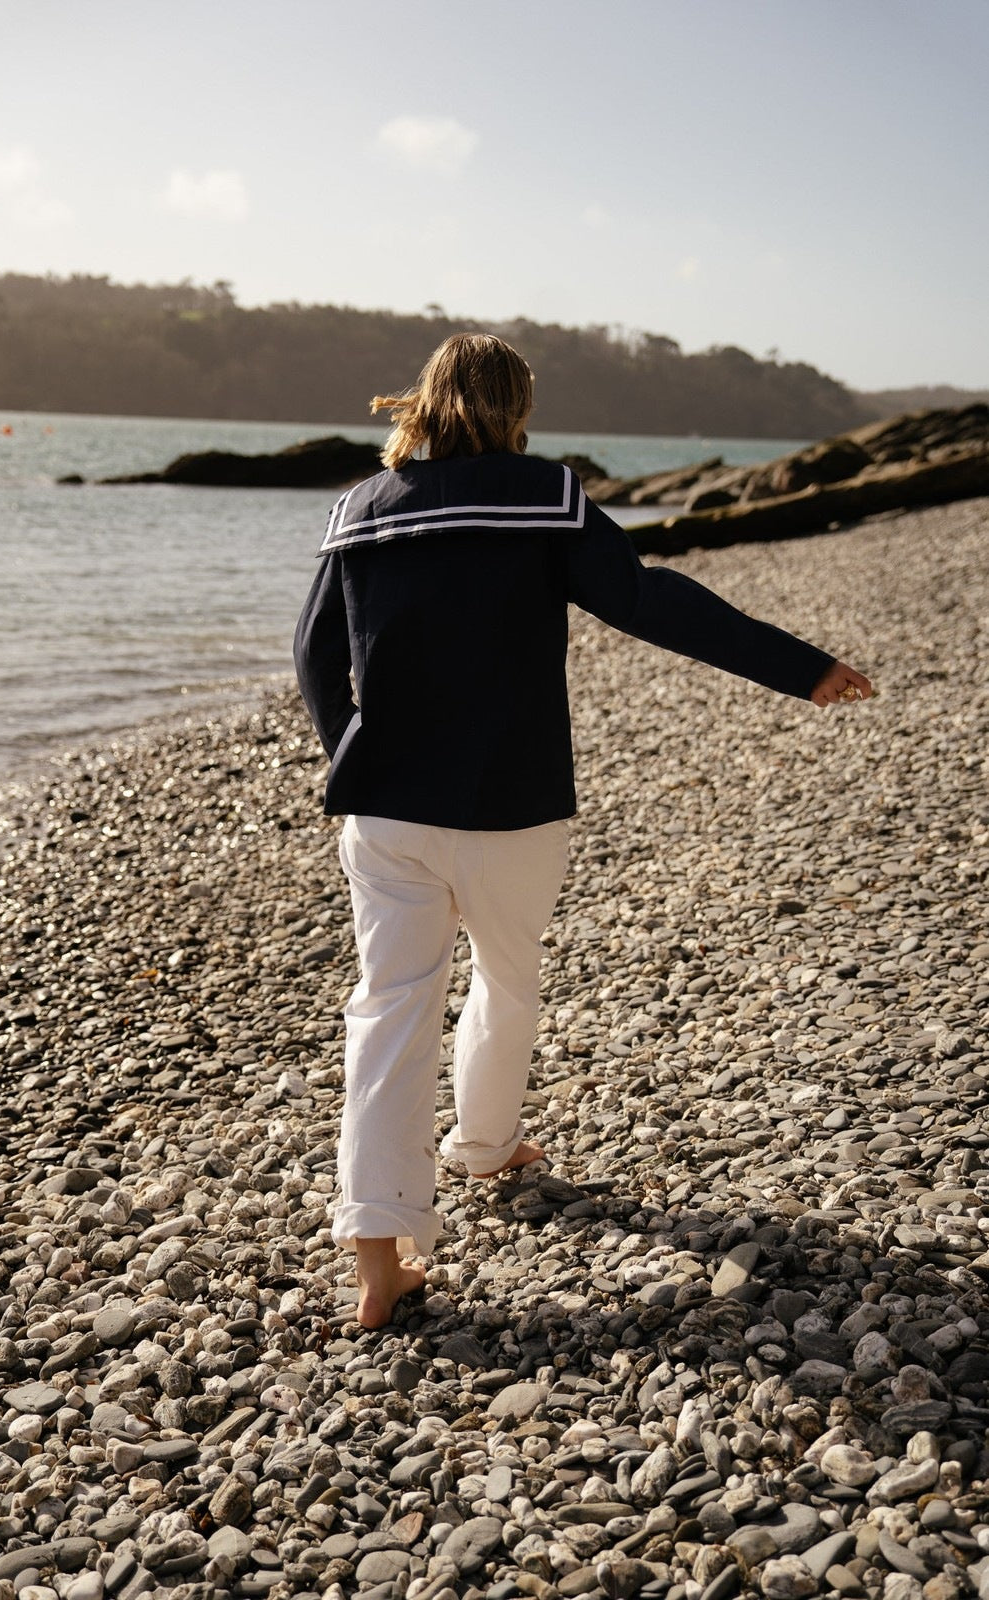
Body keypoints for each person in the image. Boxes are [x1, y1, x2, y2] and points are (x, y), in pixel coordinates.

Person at [294, 333, 872, 1329]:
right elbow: (647, 601)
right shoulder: (542, 496)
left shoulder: (359, 509)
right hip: (510, 804)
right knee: (505, 978)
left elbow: (312, 657)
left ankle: (377, 1258)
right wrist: (796, 665)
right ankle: (482, 1147)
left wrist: (355, 747)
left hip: (384, 808)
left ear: (427, 401)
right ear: (514, 405)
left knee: (388, 1006)